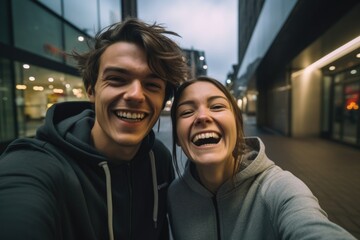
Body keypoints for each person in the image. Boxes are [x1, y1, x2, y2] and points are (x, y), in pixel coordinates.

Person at [0, 18, 188, 240]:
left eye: (152, 85)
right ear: (91, 89)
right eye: (117, 79)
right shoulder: (36, 164)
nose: (136, 95)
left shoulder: (158, 158)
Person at [167, 76, 356, 240]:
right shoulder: (174, 196)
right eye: (187, 112)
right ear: (176, 136)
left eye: (216, 106)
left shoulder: (278, 188)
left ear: (237, 126)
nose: (202, 116)